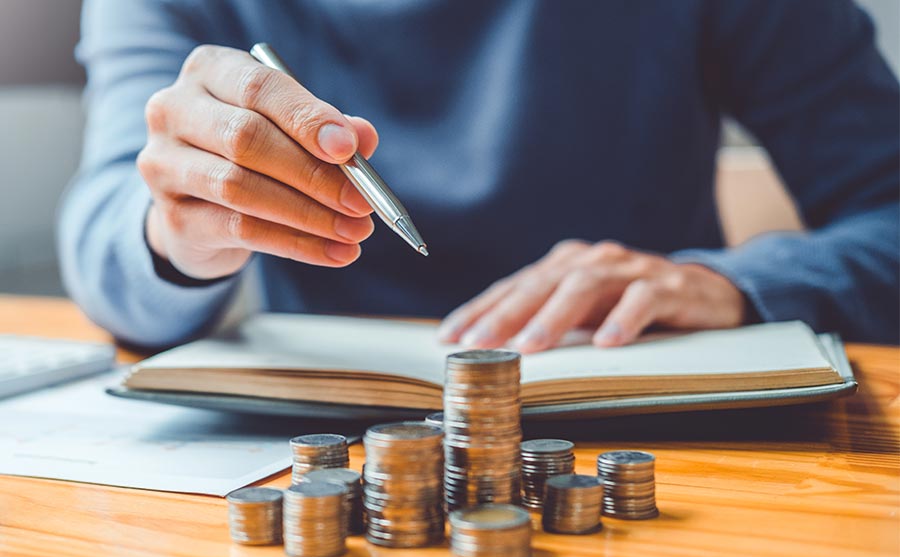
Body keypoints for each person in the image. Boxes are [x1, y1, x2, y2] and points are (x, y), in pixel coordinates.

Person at [59, 0, 899, 351]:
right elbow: (107, 239)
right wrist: (178, 229)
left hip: (662, 424)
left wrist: (733, 284)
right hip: (322, 448)